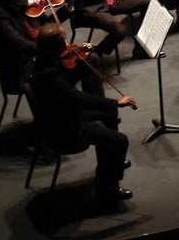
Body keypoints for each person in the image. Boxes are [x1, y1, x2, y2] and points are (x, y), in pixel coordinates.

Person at [29, 22, 136, 211]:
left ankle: (109, 164)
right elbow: (75, 97)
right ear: (56, 47)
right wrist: (114, 101)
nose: (67, 43)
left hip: (61, 114)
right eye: (63, 41)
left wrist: (77, 56)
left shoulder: (42, 62)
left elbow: (66, 86)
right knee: (120, 140)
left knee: (109, 114)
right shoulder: (49, 75)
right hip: (66, 130)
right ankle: (108, 189)